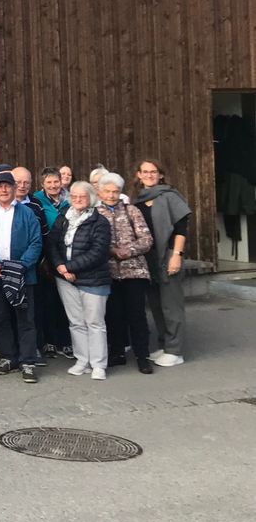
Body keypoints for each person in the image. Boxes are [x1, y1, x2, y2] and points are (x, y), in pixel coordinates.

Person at [0, 171, 44, 383]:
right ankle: (8, 357)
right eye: (0, 186)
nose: (4, 190)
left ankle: (28, 361)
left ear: (14, 189)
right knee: (0, 319)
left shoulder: (27, 213)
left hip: (22, 276)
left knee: (25, 319)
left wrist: (20, 266)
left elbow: (36, 243)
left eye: (8, 186)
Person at [45, 181, 112, 380]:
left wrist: (70, 267)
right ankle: (82, 360)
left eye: (82, 196)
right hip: (65, 278)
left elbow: (98, 252)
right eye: (74, 196)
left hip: (93, 279)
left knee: (95, 322)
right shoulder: (63, 218)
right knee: (75, 322)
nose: (77, 200)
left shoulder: (99, 222)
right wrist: (60, 267)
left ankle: (99, 364)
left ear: (90, 198)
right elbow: (52, 243)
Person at [133, 159, 191, 367]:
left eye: (153, 172)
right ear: (138, 175)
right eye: (145, 172)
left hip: (167, 256)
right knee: (156, 305)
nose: (149, 175)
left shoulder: (169, 197)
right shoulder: (138, 201)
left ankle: (176, 351)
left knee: (171, 305)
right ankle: (165, 345)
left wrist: (177, 254)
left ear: (161, 175)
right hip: (148, 260)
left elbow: (181, 229)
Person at [96, 173, 155, 374]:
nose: (112, 195)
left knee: (136, 314)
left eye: (116, 191)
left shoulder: (132, 211)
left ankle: (142, 355)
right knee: (113, 314)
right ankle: (117, 352)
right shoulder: (95, 213)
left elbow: (146, 239)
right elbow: (92, 242)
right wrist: (111, 251)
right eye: (108, 191)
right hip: (108, 272)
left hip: (134, 271)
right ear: (100, 191)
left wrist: (127, 251)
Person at [32, 167, 72, 360]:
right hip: (45, 257)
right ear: (42, 184)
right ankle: (48, 341)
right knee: (47, 300)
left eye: (56, 181)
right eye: (49, 182)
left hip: (66, 255)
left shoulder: (70, 200)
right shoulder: (37, 200)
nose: (53, 185)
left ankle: (65, 341)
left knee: (65, 301)